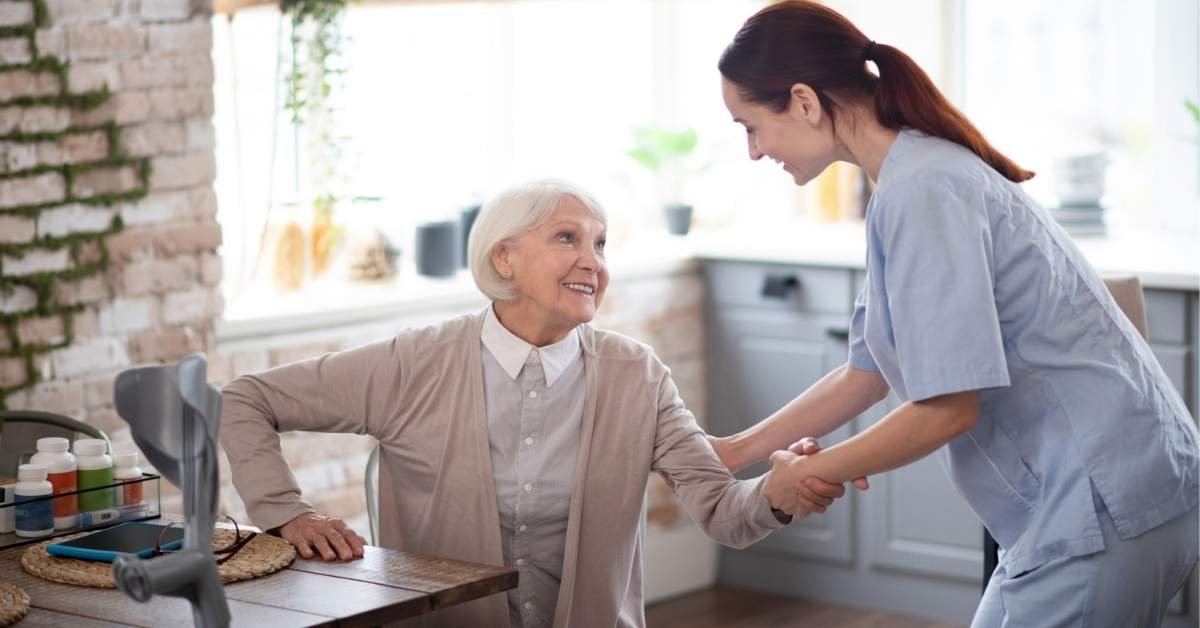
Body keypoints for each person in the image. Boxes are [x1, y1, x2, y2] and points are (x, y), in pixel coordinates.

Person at [709, 2, 1199, 626]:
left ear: (804, 102)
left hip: (1102, 507)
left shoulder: (921, 189)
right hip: (1096, 501)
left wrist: (807, 475)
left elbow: (947, 407)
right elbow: (868, 370)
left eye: (749, 125)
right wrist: (735, 451)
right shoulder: (907, 178)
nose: (753, 151)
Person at [219, 179, 849, 628]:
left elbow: (722, 511)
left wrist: (778, 494)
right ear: (505, 257)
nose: (593, 262)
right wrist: (286, 513)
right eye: (567, 238)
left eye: (601, 245)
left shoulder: (636, 376)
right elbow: (245, 400)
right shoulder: (415, 363)